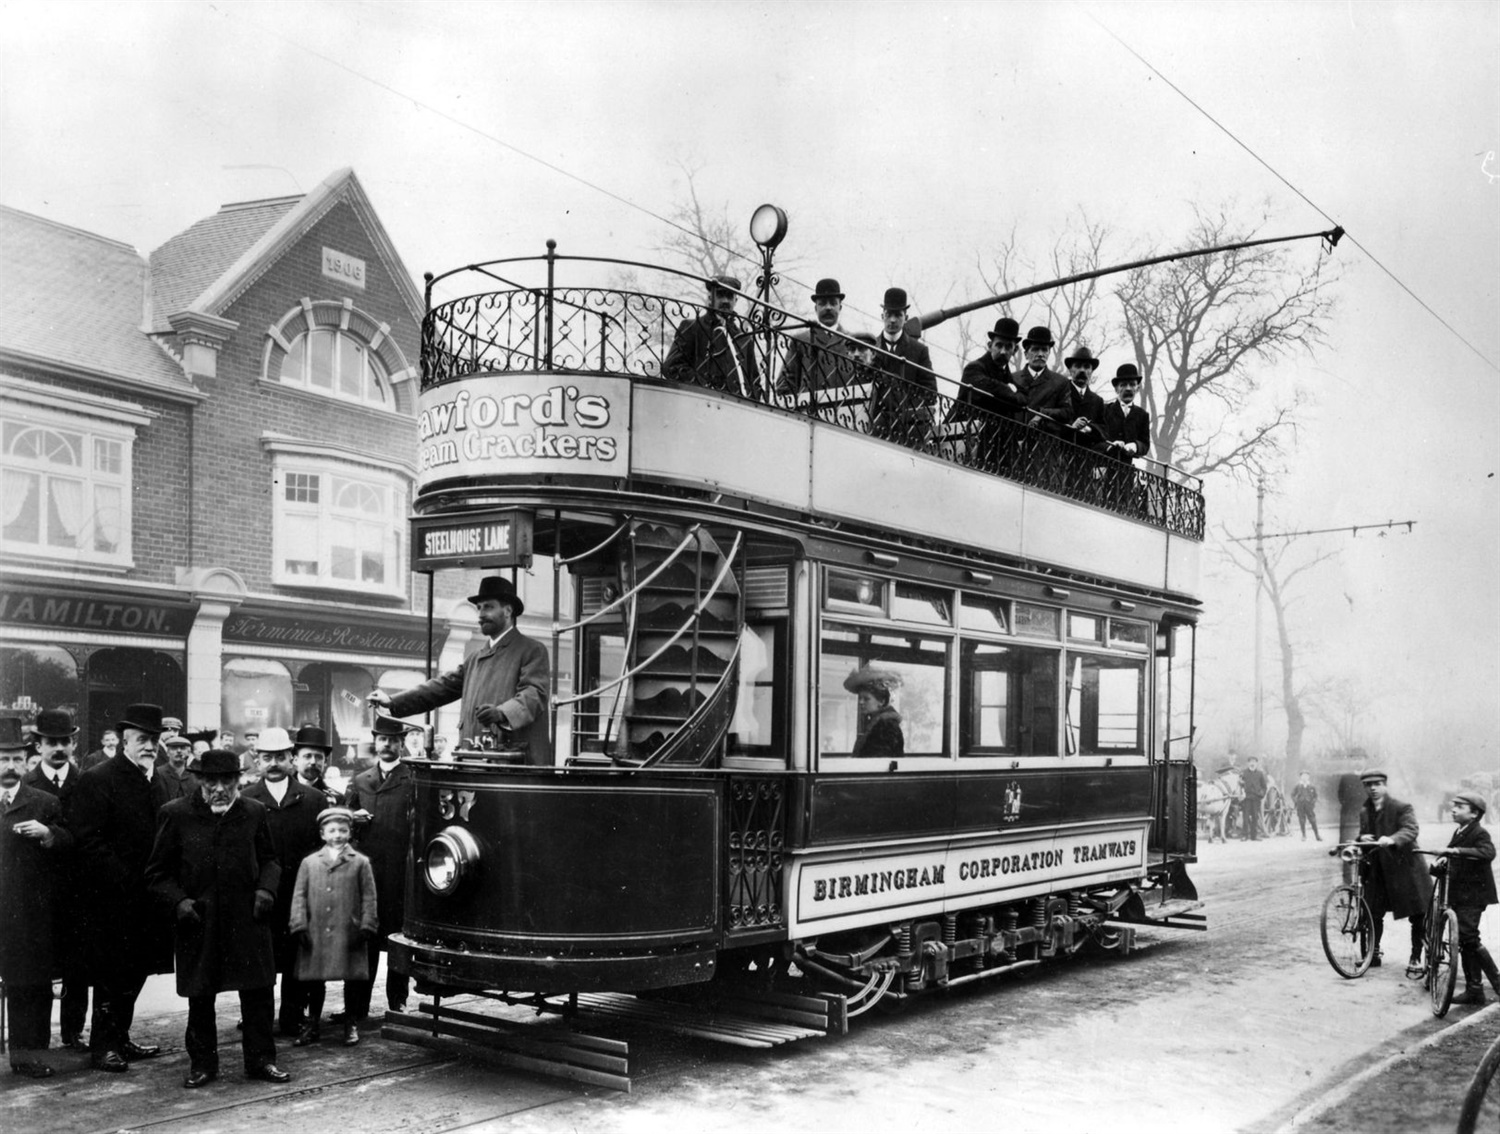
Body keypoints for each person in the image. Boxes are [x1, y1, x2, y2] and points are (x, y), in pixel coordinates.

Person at [145, 748, 287, 1087]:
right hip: (200, 921)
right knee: (201, 996)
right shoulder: (175, 813)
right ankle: (203, 1065)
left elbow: (270, 860)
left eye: (227, 781)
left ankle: (261, 1061)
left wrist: (266, 892)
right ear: (199, 781)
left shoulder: (254, 812)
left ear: (239, 781)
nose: (219, 789)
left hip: (247, 919)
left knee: (258, 994)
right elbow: (156, 873)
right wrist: (179, 902)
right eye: (211, 782)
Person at [67, 702, 176, 1073]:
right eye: (142, 739)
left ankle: (121, 1038)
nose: (150, 746)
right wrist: (127, 881)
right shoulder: (99, 778)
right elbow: (88, 840)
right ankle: (104, 1047)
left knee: (137, 970)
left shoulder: (157, 779)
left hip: (149, 898)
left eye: (154, 740)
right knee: (112, 975)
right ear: (124, 741)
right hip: (112, 899)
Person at [370, 576, 551, 764]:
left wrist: (503, 713)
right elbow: (440, 688)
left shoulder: (531, 650)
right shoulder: (475, 658)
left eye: (488, 607)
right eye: (479, 608)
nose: (480, 614)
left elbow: (534, 695)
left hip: (515, 765)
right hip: (474, 761)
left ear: (508, 611)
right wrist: (391, 701)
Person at [241, 727, 326, 1039]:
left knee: (295, 958)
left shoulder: (313, 799)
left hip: (299, 892)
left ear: (291, 758)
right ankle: (258, 1021)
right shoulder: (247, 799)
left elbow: (322, 850)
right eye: (267, 757)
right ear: (257, 759)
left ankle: (291, 1018)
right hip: (262, 893)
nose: (274, 763)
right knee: (261, 959)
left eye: (280, 757)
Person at [0, 716, 73, 1077]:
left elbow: (70, 845)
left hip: (31, 913)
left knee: (33, 985)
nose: (9, 767)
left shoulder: (43, 802)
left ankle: (29, 1054)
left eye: (15, 759)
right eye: (2, 759)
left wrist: (49, 834)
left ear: (26, 759)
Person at [21, 708, 90, 1050]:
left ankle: (73, 1032)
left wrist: (55, 835)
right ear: (38, 745)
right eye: (52, 742)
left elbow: (88, 833)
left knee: (77, 966)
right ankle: (38, 1038)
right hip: (38, 891)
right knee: (41, 965)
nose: (59, 748)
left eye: (65, 741)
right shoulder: (25, 784)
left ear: (74, 743)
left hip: (77, 889)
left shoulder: (87, 781)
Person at [340, 715, 415, 1020]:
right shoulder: (360, 780)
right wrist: (351, 816)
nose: (387, 744)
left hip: (399, 876)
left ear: (401, 743)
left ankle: (397, 1003)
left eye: (393, 739)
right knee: (364, 939)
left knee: (397, 939)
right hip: (367, 875)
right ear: (376, 741)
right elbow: (342, 822)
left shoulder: (412, 778)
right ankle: (356, 1009)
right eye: (382, 739)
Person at [288, 807, 379, 1047]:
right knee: (314, 981)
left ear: (350, 833)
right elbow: (299, 895)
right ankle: (313, 1023)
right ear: (322, 834)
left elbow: (369, 897)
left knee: (352, 980)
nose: (337, 835)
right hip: (316, 930)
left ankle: (351, 1023)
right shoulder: (309, 863)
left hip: (349, 929)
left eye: (343, 830)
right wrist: (299, 926)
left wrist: (367, 926)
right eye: (332, 830)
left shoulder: (360, 862)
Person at [1357, 768, 1431, 975]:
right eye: (1368, 785)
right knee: (1372, 912)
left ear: (1385, 785)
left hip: (1406, 869)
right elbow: (1363, 835)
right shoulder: (1365, 811)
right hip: (1379, 870)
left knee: (1417, 914)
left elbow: (1410, 829)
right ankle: (1373, 952)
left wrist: (1392, 839)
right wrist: (1360, 839)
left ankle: (1416, 956)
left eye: (1377, 784)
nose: (1373, 789)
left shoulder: (1401, 807)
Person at [1436, 792, 1500, 1006]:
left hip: (1474, 894)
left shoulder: (1479, 832)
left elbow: (1488, 852)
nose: (1453, 809)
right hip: (1460, 894)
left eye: (1460, 806)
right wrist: (1440, 861)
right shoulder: (1460, 831)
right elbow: (1451, 854)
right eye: (1453, 805)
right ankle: (1475, 990)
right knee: (1465, 939)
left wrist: (1455, 850)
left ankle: (1496, 982)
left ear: (1474, 813)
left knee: (1468, 937)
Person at [661, 275, 761, 397]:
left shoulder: (744, 340)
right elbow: (671, 366)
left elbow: (754, 381)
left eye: (729, 296)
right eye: (720, 295)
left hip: (737, 408)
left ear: (736, 300)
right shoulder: (693, 328)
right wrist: (705, 387)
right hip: (702, 403)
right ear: (710, 298)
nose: (725, 300)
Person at [949, 316, 1026, 473]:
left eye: (1008, 347)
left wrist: (1009, 393)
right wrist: (1009, 391)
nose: (1003, 351)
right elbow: (983, 385)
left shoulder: (1008, 377)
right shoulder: (974, 368)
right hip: (968, 442)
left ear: (1015, 350)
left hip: (998, 449)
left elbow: (1023, 398)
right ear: (990, 345)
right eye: (998, 345)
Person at [867, 287, 936, 447]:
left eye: (897, 315)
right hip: (873, 430)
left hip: (907, 432)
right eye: (889, 314)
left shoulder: (919, 351)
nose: (892, 320)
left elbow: (930, 392)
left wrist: (907, 408)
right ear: (882, 315)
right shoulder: (870, 347)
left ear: (906, 317)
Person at [776, 277, 852, 397]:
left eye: (833, 303)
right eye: (822, 303)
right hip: (808, 412)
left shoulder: (853, 342)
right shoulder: (800, 341)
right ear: (816, 308)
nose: (828, 307)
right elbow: (785, 383)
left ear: (840, 307)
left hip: (845, 413)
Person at [1015, 326, 1071, 436]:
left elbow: (1067, 413)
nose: (1040, 354)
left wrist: (1043, 413)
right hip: (1012, 442)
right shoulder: (1013, 378)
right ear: (1026, 354)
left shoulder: (1061, 382)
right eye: (1035, 349)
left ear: (1049, 353)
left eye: (1044, 350)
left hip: (1043, 445)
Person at [843, 667, 905, 759]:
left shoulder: (886, 726)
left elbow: (879, 762)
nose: (861, 702)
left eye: (866, 699)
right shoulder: (877, 722)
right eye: (860, 698)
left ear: (882, 701)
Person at [1060, 346, 1108, 451]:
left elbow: (1103, 430)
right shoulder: (1061, 391)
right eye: (1077, 366)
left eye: (1087, 367)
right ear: (1070, 369)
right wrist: (1071, 426)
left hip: (1085, 458)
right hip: (1060, 451)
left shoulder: (1097, 401)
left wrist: (1089, 428)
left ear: (1091, 371)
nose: (1082, 370)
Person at [292, 724, 341, 806]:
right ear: (295, 760)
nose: (313, 762)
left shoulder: (336, 799)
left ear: (325, 762)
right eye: (307, 756)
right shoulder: (281, 794)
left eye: (318, 757)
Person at [1240, 756, 1268, 841]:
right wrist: (1242, 793)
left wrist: (1261, 794)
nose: (1252, 764)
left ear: (1256, 763)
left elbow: (1264, 787)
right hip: (1246, 798)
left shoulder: (1260, 774)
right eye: (1251, 762)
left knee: (1255, 817)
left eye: (1254, 762)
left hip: (1256, 798)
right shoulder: (1244, 773)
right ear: (1248, 763)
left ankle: (1254, 836)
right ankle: (1245, 835)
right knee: (1245, 817)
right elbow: (1240, 784)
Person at [1291, 772, 1321, 841]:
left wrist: (1313, 802)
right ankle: (1304, 835)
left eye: (1306, 776)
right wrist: (1296, 801)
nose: (1304, 777)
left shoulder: (1311, 786)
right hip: (1300, 805)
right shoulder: (1298, 786)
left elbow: (1316, 796)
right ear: (1300, 777)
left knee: (1313, 820)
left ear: (1308, 777)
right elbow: (1292, 794)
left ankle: (1317, 835)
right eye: (1303, 776)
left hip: (1309, 806)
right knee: (1302, 820)